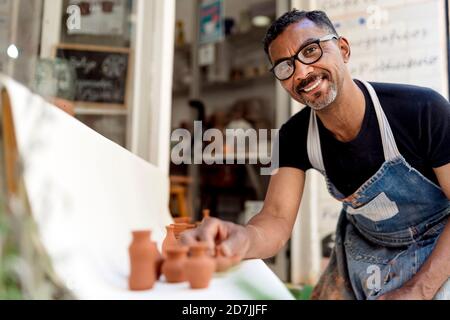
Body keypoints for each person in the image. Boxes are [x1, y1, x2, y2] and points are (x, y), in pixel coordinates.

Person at [181, 9, 450, 300]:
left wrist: (419, 289)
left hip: (438, 251)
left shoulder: (422, 110)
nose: (301, 72)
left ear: (343, 49)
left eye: (311, 50)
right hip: (363, 251)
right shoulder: (295, 137)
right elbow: (275, 219)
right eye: (285, 67)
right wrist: (240, 239)